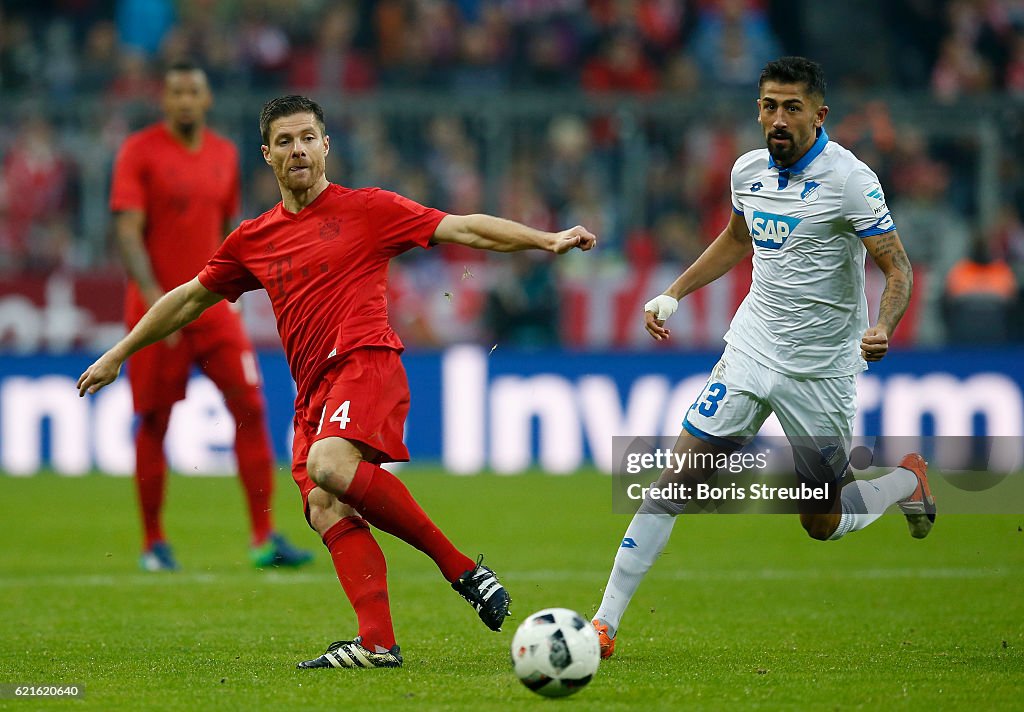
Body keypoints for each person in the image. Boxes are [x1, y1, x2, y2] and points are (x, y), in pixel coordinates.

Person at [81, 94, 597, 668]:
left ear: (326, 145)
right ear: (268, 156)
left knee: (330, 465)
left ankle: (463, 571)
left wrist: (545, 240)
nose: (297, 149)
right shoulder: (252, 239)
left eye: (307, 138)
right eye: (284, 141)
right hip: (313, 391)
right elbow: (188, 299)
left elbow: (465, 229)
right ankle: (377, 643)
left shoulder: (370, 209)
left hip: (364, 359)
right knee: (324, 503)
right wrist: (120, 352)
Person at [591, 57, 936, 660]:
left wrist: (883, 324)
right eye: (769, 106)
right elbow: (735, 237)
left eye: (792, 107)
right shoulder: (747, 169)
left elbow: (896, 264)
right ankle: (604, 624)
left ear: (819, 115)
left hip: (821, 370)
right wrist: (674, 293)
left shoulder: (851, 180)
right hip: (750, 348)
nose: (778, 119)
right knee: (675, 480)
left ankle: (907, 480)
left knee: (820, 522)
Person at [109, 60, 312, 572]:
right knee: (155, 420)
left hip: (213, 308)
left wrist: (236, 289)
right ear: (165, 99)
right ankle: (154, 542)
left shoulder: (223, 154)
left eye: (192, 91)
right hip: (160, 309)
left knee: (251, 406)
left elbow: (228, 231)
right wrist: (159, 301)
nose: (183, 100)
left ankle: (264, 537)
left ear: (206, 99)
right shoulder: (139, 151)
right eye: (175, 91)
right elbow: (129, 233)